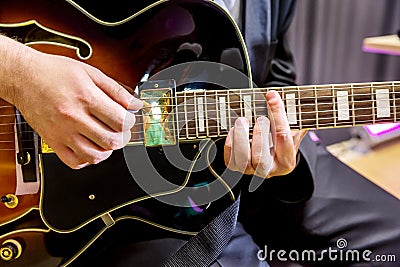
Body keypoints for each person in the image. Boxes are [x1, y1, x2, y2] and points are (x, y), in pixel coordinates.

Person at [1, 1, 399, 267]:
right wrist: (20, 73)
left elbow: (274, 74)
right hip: (121, 197)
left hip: (246, 164)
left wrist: (281, 156)